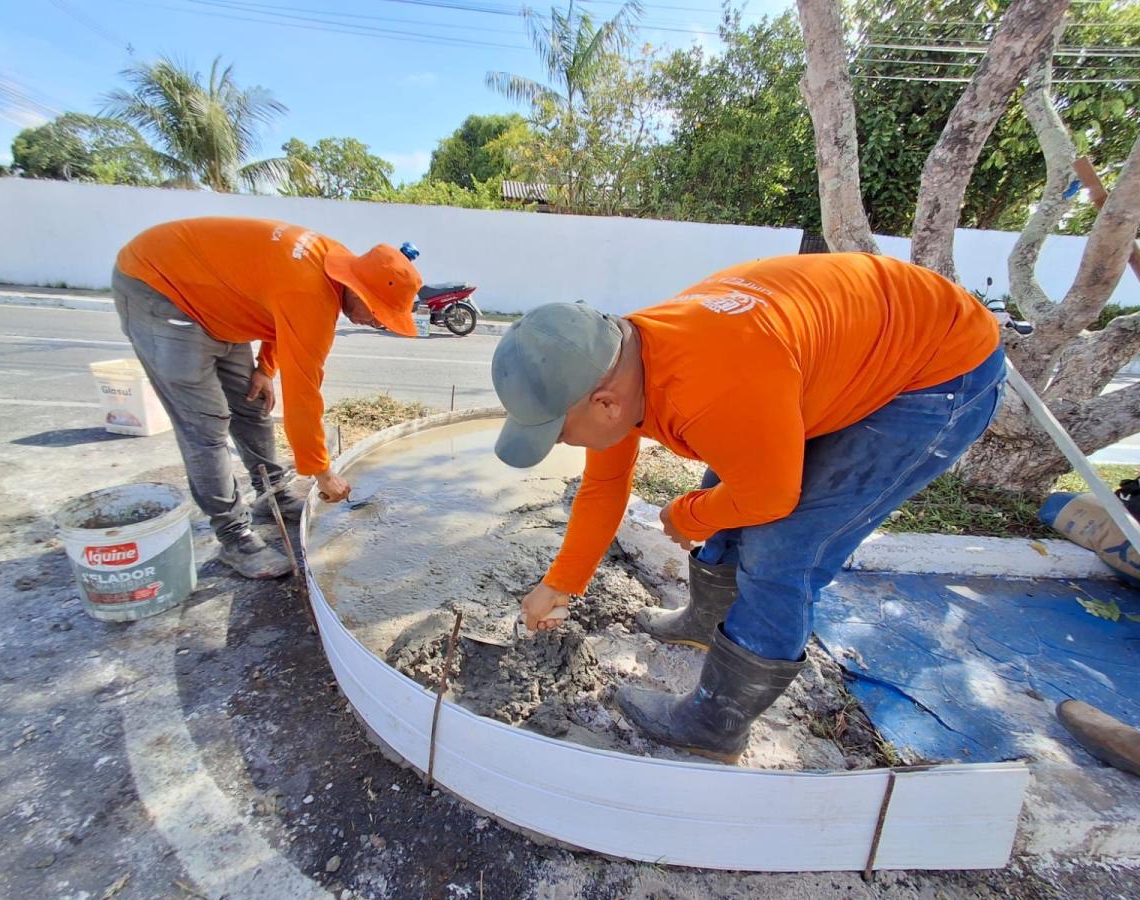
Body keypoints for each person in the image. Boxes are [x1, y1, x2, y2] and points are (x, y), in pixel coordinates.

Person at [491, 252, 1004, 762]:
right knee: (735, 476)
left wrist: (689, 515)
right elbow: (604, 486)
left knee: (785, 546)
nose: (560, 445)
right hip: (832, 349)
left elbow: (769, 496)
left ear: (605, 404)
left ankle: (716, 722)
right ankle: (706, 624)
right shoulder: (621, 366)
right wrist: (561, 582)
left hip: (936, 369)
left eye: (558, 432)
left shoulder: (710, 384)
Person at [112, 216, 422, 579]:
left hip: (217, 299)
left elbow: (280, 315)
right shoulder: (311, 294)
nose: (378, 323)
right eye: (378, 313)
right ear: (357, 288)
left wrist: (266, 367)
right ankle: (234, 536)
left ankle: (271, 492)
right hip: (160, 288)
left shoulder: (332, 263)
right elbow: (303, 392)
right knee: (205, 426)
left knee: (253, 399)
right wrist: (321, 472)